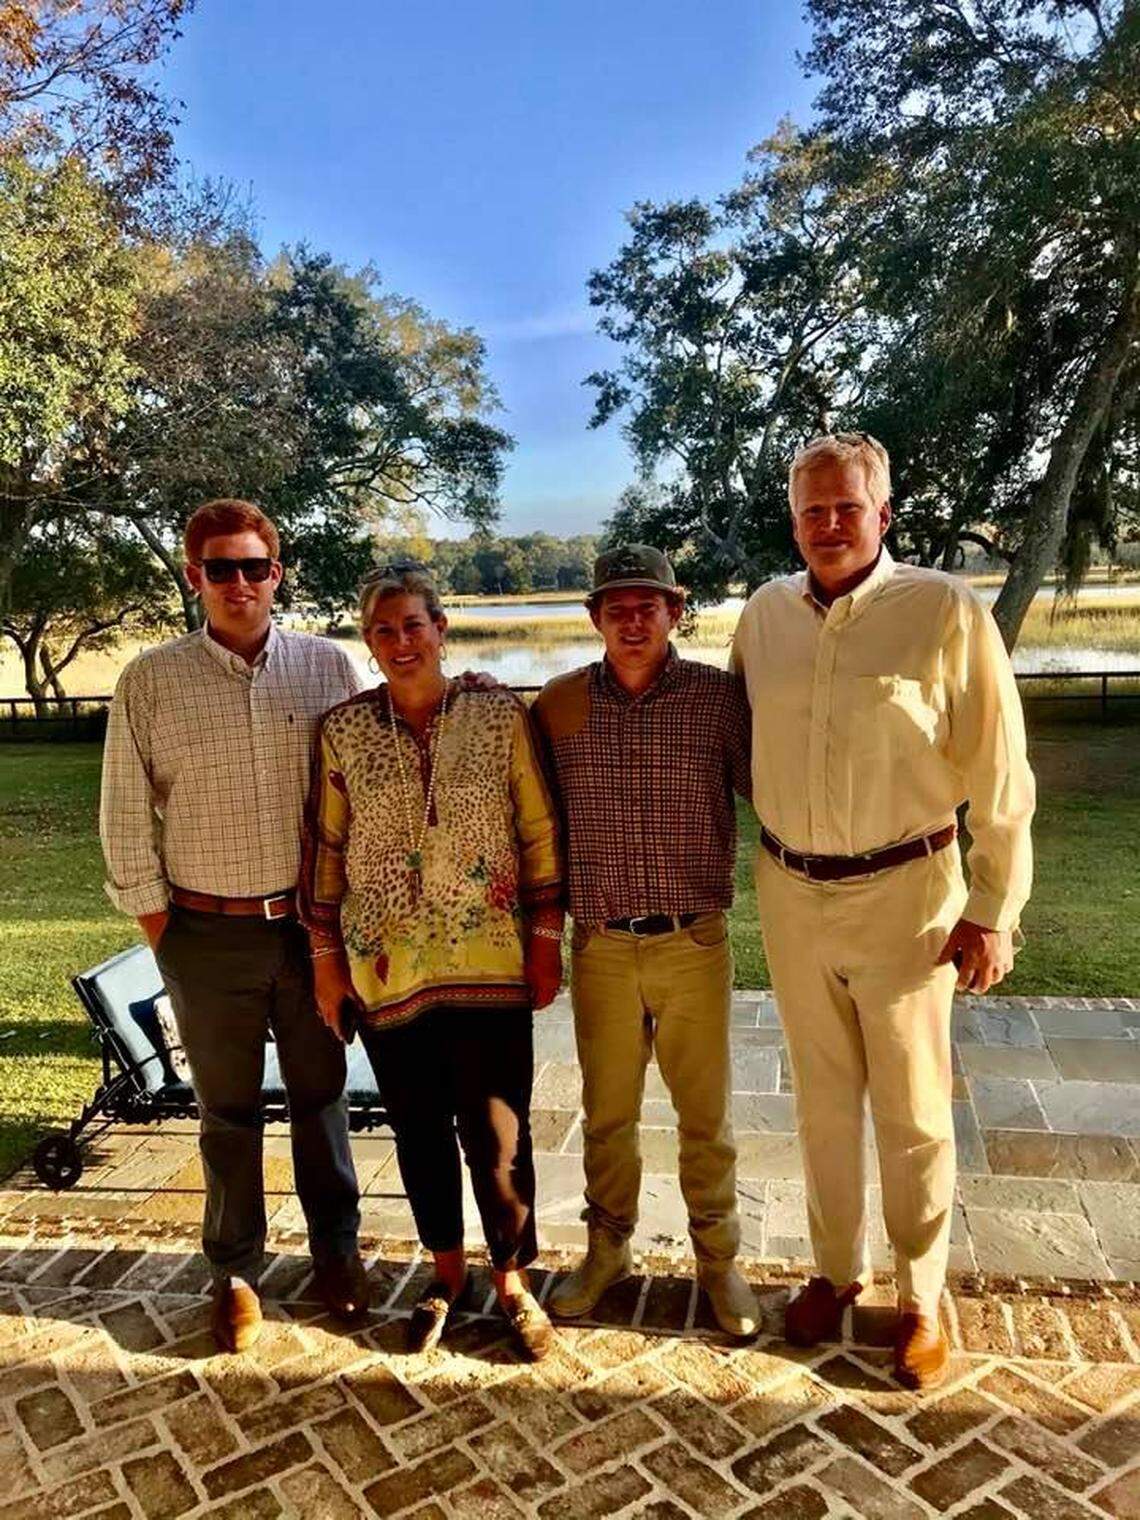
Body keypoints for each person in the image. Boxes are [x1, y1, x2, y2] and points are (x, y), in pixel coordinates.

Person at [731, 432, 1035, 1389]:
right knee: (822, 1102)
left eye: (846, 508)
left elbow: (1001, 775)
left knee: (912, 1110)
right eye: (812, 510)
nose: (828, 525)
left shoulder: (943, 611)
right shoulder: (763, 615)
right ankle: (833, 1274)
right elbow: (740, 735)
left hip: (909, 894)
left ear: (883, 514)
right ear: (793, 519)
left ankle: (920, 1295)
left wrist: (994, 909)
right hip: (791, 889)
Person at [100, 498, 368, 1354]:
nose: (240, 582)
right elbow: (121, 815)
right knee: (227, 1111)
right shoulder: (150, 681)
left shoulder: (327, 669)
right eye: (222, 568)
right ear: (195, 577)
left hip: (309, 933)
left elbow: (367, 792)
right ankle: (237, 1270)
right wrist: (160, 930)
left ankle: (336, 1253)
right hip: (204, 934)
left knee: (321, 1101)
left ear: (277, 574)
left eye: (256, 566)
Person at [300, 567, 564, 1360]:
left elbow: (539, 827)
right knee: (417, 1129)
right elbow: (326, 850)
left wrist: (546, 937)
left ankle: (511, 1280)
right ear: (369, 642)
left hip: (490, 961)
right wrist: (325, 962)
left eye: (414, 625)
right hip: (387, 969)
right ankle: (446, 1275)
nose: (400, 642)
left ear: (441, 629)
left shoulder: (496, 714)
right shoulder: (343, 730)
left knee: (498, 1133)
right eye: (383, 631)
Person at [531, 545, 757, 1337]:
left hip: (692, 942)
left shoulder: (720, 701)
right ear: (594, 617)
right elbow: (534, 818)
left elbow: (781, 791)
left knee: (706, 1116)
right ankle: (607, 1249)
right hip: (600, 946)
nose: (633, 621)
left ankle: (720, 1262)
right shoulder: (556, 706)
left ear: (675, 609)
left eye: (648, 605)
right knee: (608, 1116)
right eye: (616, 607)